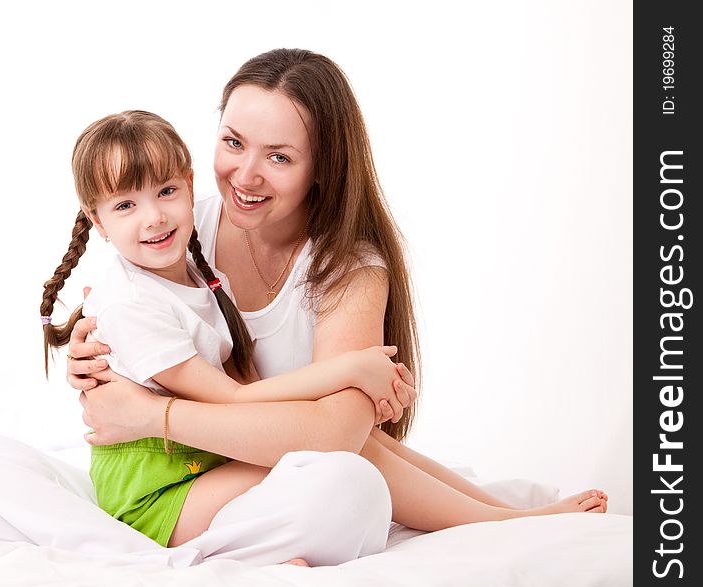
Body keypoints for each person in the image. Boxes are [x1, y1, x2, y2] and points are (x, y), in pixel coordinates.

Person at [68, 48, 608, 535]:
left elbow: (339, 434)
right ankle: (502, 520)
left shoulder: (347, 267)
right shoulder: (176, 237)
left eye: (279, 157)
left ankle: (500, 520)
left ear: (322, 166)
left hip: (233, 458)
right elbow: (132, 322)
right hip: (184, 475)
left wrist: (150, 416)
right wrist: (88, 357)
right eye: (234, 143)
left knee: (349, 460)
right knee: (339, 474)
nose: (246, 176)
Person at [39, 109, 413, 550]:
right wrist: (350, 370)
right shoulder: (131, 302)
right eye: (125, 205)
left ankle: (490, 514)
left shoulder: (203, 276)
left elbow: (249, 388)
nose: (154, 217)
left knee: (337, 451)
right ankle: (487, 517)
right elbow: (234, 398)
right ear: (97, 222)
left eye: (166, 191)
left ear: (189, 185)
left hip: (202, 465)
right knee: (325, 465)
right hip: (155, 497)